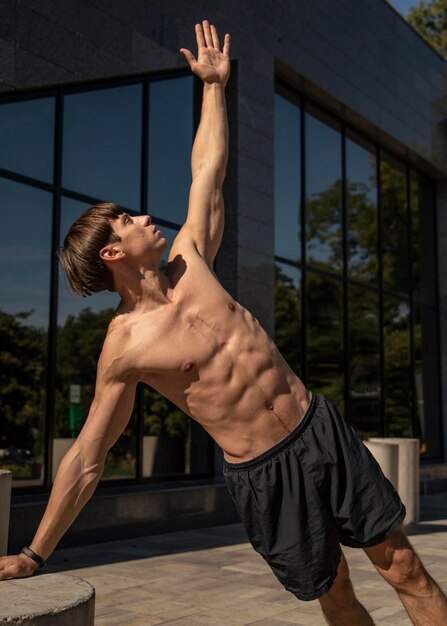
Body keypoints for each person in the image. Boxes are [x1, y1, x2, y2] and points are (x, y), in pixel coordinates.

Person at [1, 19, 446, 626]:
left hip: (318, 429)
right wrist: (34, 552)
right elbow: (88, 457)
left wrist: (214, 87)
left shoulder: (192, 259)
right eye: (129, 220)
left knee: (404, 568)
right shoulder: (125, 347)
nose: (144, 217)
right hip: (266, 473)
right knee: (335, 591)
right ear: (111, 253)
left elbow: (208, 170)